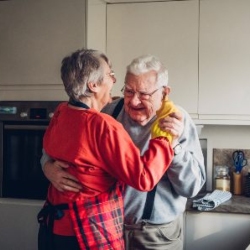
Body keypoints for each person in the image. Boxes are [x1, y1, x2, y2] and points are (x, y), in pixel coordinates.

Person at [41, 54, 206, 250]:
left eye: (144, 94)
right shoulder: (106, 113)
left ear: (164, 93)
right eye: (128, 91)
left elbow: (192, 188)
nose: (134, 101)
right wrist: (47, 166)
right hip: (104, 229)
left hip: (156, 236)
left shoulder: (179, 121)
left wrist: (175, 147)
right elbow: (58, 145)